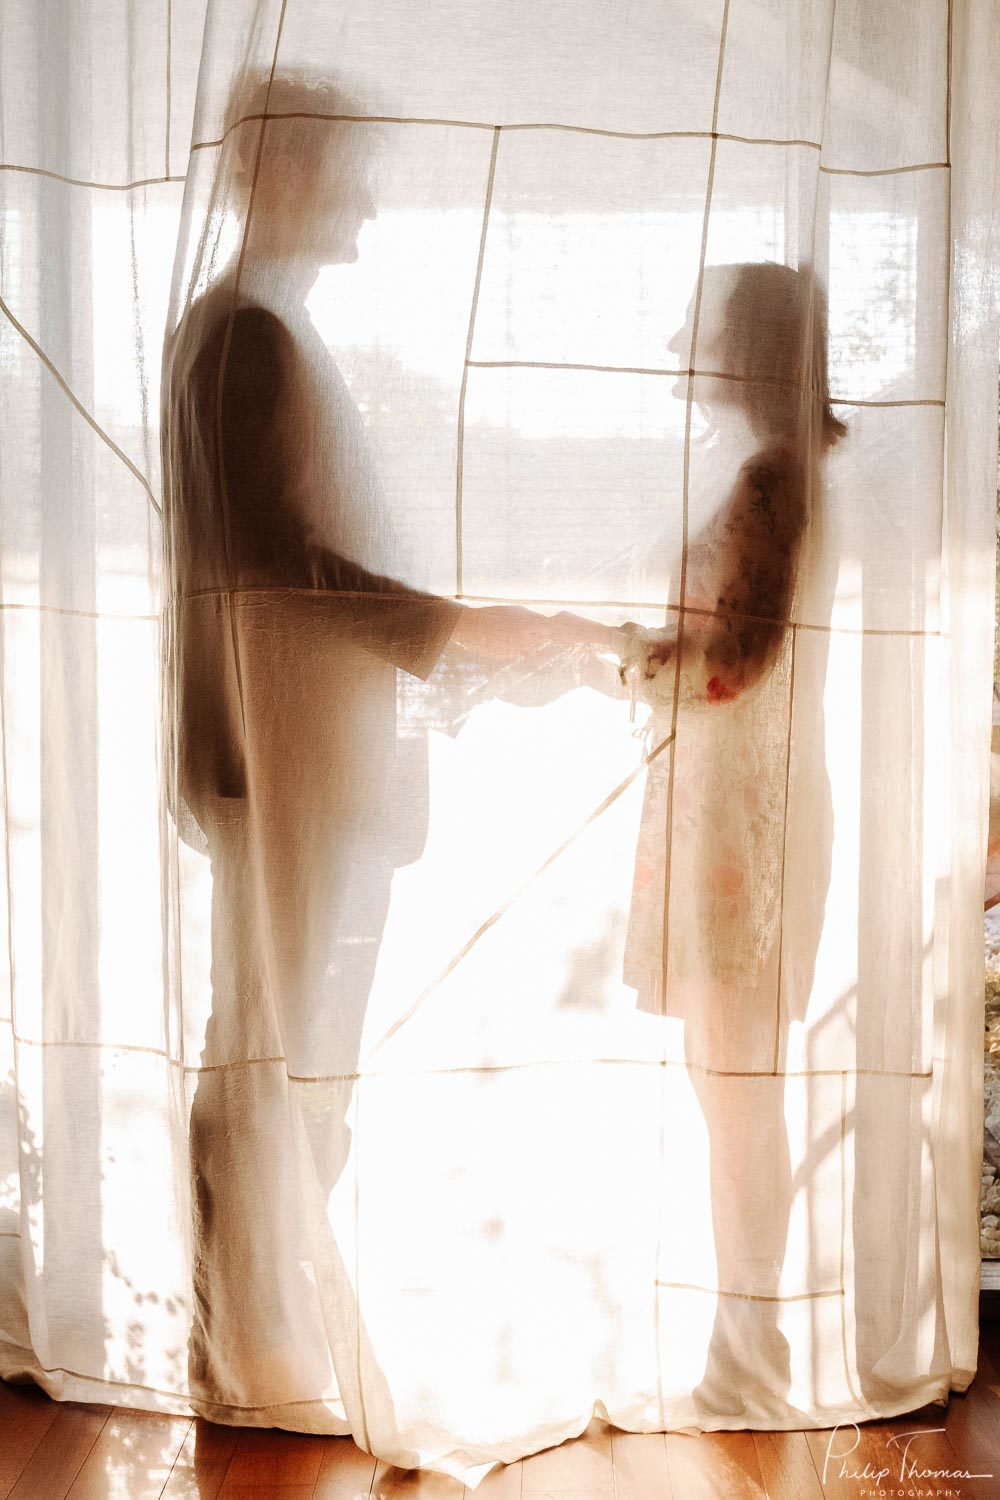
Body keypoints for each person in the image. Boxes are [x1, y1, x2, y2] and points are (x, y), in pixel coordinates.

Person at [162, 66, 624, 1409]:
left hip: (292, 761)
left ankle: (256, 1332)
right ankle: (253, 1349)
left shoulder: (255, 332)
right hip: (277, 769)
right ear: (279, 172)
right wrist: (472, 627)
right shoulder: (243, 336)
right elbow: (280, 570)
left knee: (280, 1046)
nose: (365, 212)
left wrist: (485, 640)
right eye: (348, 177)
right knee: (273, 1049)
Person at [619, 261, 846, 1418]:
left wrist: (613, 654)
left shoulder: (771, 478)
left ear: (748, 352)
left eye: (697, 331)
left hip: (738, 824)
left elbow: (730, 666)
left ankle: (748, 1360)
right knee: (737, 1087)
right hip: (749, 809)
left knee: (736, 1088)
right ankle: (745, 1347)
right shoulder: (792, 471)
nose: (677, 345)